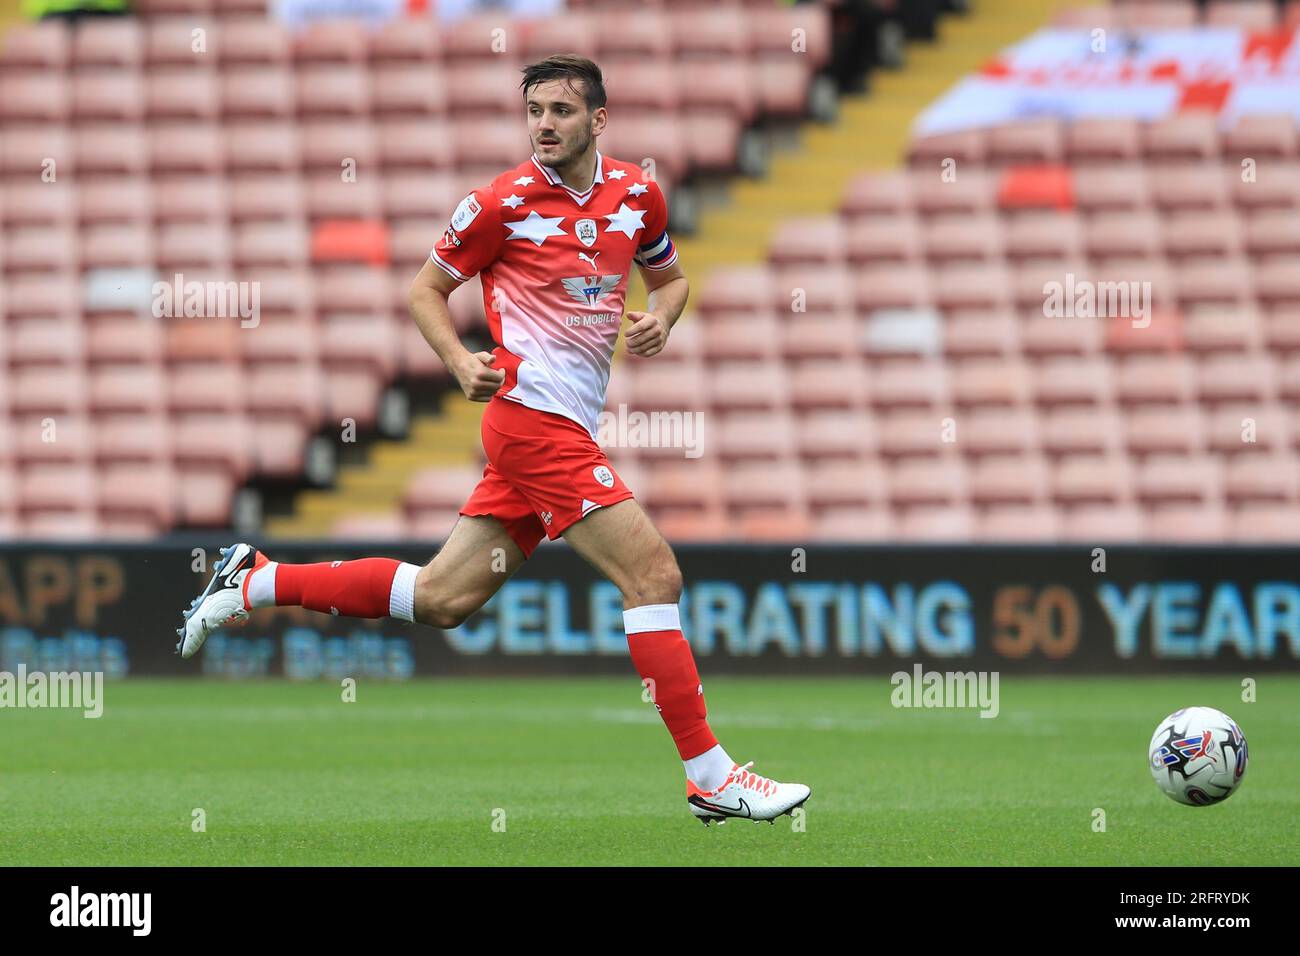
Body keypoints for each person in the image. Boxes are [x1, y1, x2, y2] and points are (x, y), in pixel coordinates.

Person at [177, 54, 810, 826]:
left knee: (441, 598)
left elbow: (670, 278)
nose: (544, 124)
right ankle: (711, 776)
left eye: (561, 111)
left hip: (565, 423)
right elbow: (425, 291)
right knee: (654, 577)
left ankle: (255, 581)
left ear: (598, 121)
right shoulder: (496, 204)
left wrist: (662, 318)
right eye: (535, 110)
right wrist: (458, 360)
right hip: (530, 421)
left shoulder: (638, 196)